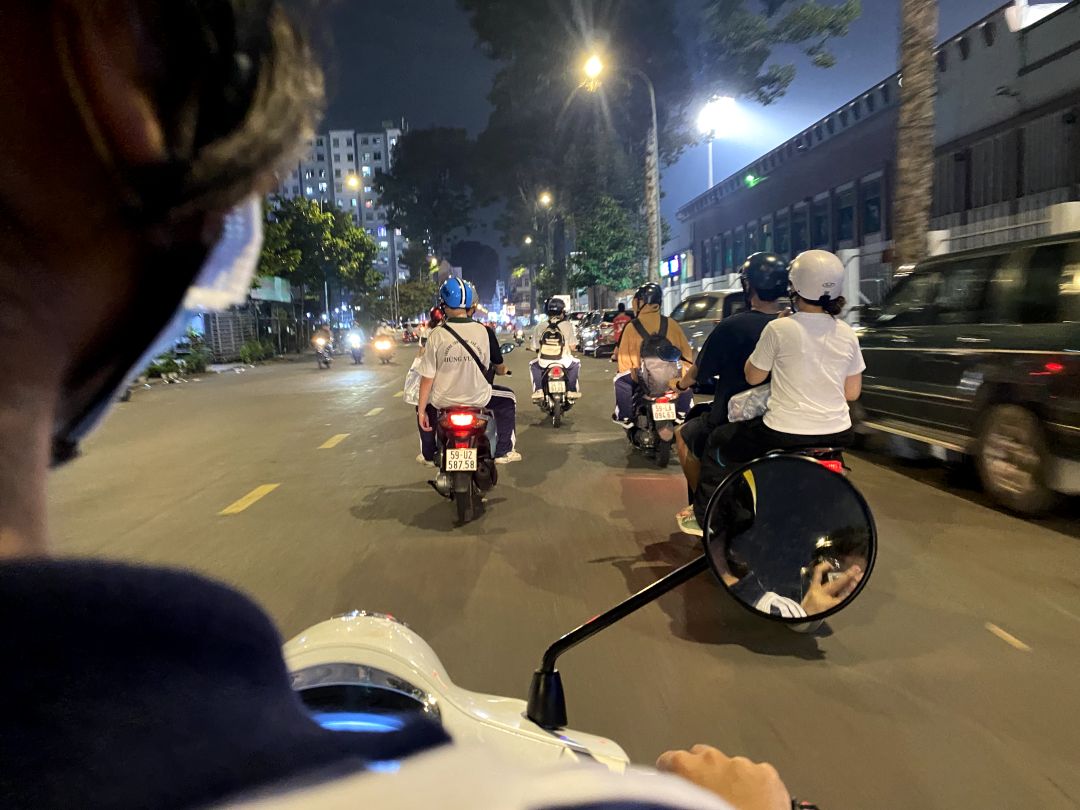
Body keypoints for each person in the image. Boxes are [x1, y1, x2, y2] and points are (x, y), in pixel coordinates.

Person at [0, 3, 791, 809]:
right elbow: (503, 375)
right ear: (120, 103)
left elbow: (436, 383)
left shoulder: (466, 333)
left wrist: (440, 408)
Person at [691, 250, 866, 527]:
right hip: (837, 434)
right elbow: (852, 393)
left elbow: (752, 377)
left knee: (718, 442)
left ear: (794, 287)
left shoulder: (779, 328)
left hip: (782, 432)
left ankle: (706, 518)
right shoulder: (846, 333)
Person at [673, 253, 788, 532]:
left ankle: (705, 508)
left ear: (748, 286)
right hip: (788, 418)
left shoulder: (732, 326)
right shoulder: (794, 325)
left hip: (736, 418)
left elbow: (698, 372)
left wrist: (680, 385)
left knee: (683, 435)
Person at [416, 279, 521, 464]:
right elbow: (490, 364)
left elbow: (427, 378)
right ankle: (504, 451)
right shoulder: (484, 331)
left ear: (443, 304)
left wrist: (422, 410)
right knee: (509, 398)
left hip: (444, 400)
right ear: (471, 305)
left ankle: (429, 454)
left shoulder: (436, 334)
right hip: (478, 398)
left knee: (422, 406)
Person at [613, 282, 694, 426]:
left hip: (642, 377)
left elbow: (624, 360)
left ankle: (624, 416)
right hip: (672, 377)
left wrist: (628, 369)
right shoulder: (672, 324)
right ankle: (683, 412)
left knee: (620, 380)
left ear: (641, 302)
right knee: (686, 379)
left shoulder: (631, 327)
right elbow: (686, 355)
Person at [529, 297, 582, 401]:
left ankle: (538, 390)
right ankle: (571, 390)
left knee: (533, 365)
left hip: (544, 362)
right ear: (562, 312)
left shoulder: (539, 326)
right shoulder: (568, 325)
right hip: (564, 361)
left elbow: (534, 346)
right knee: (576, 364)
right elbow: (573, 346)